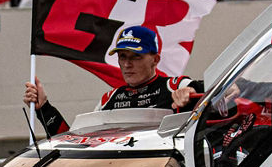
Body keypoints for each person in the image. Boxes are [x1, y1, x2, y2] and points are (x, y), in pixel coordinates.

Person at [23, 25, 203, 137]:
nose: (126, 64)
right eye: (122, 56)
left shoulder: (174, 86)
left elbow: (222, 94)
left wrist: (192, 93)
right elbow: (74, 142)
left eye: (136, 57)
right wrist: (44, 108)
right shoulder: (109, 99)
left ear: (155, 60)